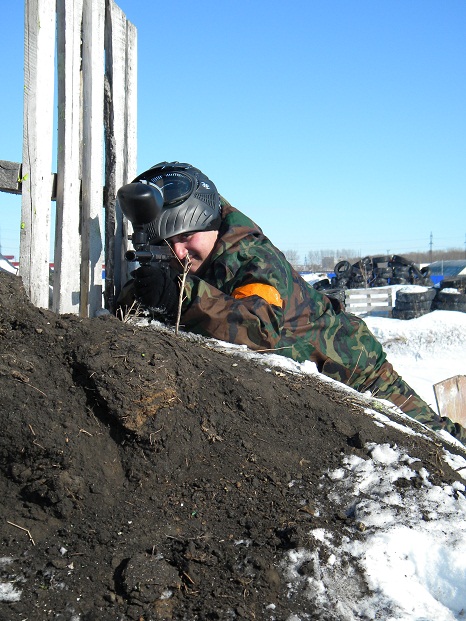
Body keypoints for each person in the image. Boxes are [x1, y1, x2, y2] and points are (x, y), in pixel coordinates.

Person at [117, 161, 466, 446]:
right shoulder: (193, 257)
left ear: (209, 221)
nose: (179, 252)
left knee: (436, 438)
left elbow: (259, 327)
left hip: (354, 369)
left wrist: (180, 294)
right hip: (317, 375)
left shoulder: (252, 257)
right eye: (167, 244)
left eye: (187, 237)